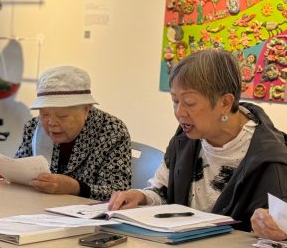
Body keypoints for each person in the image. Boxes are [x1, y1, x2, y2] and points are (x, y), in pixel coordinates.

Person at [108, 49, 287, 233]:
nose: (179, 112)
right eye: (175, 101)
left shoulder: (269, 158)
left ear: (225, 103)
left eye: (189, 103)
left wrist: (273, 229)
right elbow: (163, 192)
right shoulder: (186, 137)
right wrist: (141, 196)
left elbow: (277, 229)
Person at [15, 65, 132, 201]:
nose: (51, 122)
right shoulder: (34, 127)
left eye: (62, 115)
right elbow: (19, 173)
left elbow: (119, 191)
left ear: (86, 110)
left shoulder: (112, 131)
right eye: (44, 113)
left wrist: (76, 187)